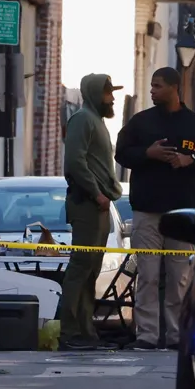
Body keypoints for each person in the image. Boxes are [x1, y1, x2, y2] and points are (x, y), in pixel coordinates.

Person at [115, 67, 195, 351]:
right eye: (151, 85)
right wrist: (147, 154)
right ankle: (147, 336)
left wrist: (191, 160)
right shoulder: (140, 123)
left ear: (174, 88)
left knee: (179, 279)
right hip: (147, 210)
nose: (152, 90)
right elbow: (121, 154)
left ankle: (177, 336)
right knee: (148, 276)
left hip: (183, 214)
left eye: (158, 85)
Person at [60, 73, 124, 350]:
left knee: (90, 270)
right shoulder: (83, 119)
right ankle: (69, 332)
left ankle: (86, 332)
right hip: (87, 204)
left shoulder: (95, 121)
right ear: (96, 93)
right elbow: (74, 162)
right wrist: (96, 193)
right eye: (108, 92)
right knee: (80, 268)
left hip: (98, 205)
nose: (112, 97)